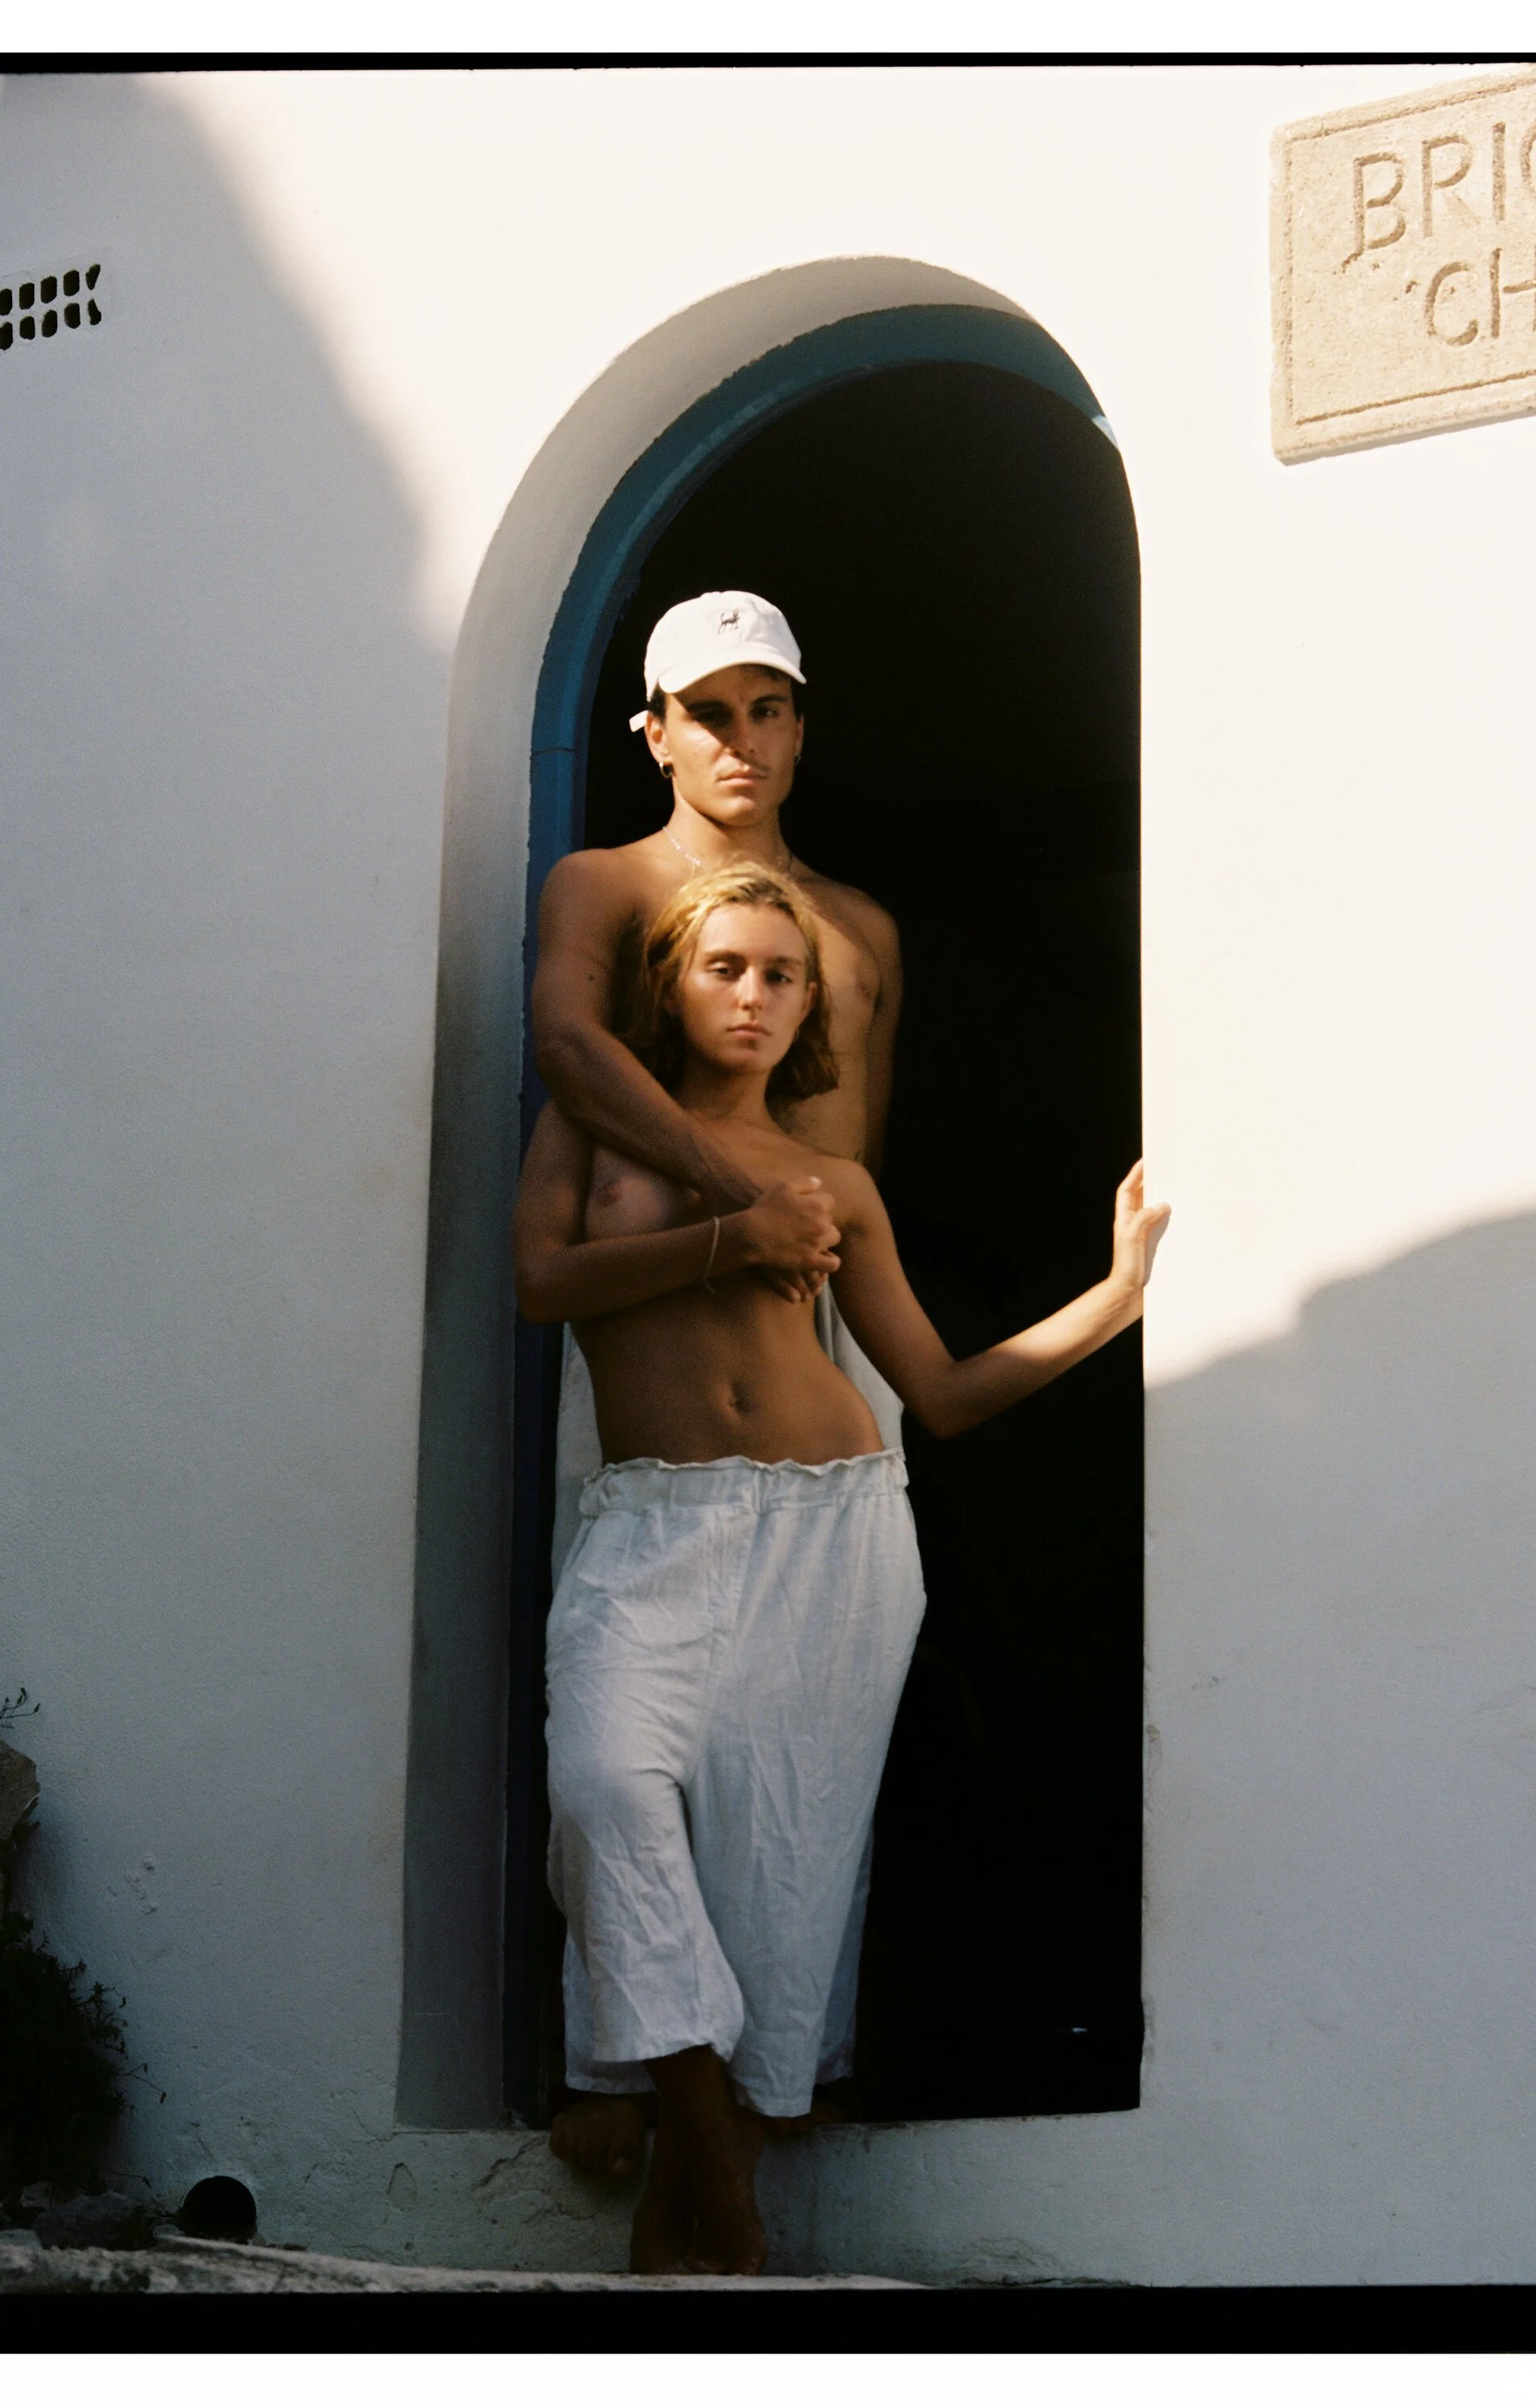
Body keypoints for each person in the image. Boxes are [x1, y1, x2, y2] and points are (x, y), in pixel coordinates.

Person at [513, 862, 1168, 2274]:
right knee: (605, 1793)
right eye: (726, 968)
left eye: (781, 975)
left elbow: (935, 1390)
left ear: (813, 1005)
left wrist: (1111, 1303)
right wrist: (724, 1240)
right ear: (672, 985)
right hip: (651, 1527)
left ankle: (681, 2205)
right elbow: (540, 1285)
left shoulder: (840, 1187)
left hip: (834, 1530)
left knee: (781, 1869)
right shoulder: (589, 1131)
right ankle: (726, 2203)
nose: (754, 996)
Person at [533, 592, 904, 2179]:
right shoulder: (609, 883)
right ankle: (617, 2065)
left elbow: (847, 1155)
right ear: (653, 729)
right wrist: (726, 1209)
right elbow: (565, 1047)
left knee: (795, 1747)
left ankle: (781, 2051)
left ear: (802, 724)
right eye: (708, 709)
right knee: (620, 1737)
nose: (738, 738)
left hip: (808, 1350)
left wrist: (807, 1262)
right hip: (647, 1337)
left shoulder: (862, 929)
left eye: (767, 708)